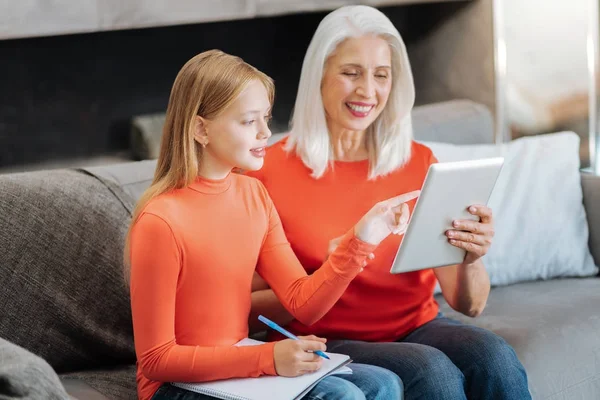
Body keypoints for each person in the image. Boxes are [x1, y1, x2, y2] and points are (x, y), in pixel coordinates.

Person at [248, 5, 531, 400]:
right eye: (351, 73)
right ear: (319, 76)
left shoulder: (418, 163)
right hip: (325, 338)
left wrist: (471, 255)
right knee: (432, 372)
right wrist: (331, 271)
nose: (368, 90)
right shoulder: (267, 172)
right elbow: (241, 309)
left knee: (495, 357)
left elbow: (469, 305)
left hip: (417, 326)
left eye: (381, 75)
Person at [126, 49, 407, 400]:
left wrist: (362, 240)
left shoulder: (253, 195)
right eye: (248, 121)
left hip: (236, 364)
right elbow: (156, 360)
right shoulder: (160, 220)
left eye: (266, 118)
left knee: (384, 384)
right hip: (172, 387)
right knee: (342, 396)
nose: (266, 132)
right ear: (200, 128)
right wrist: (267, 357)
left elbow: (302, 303)